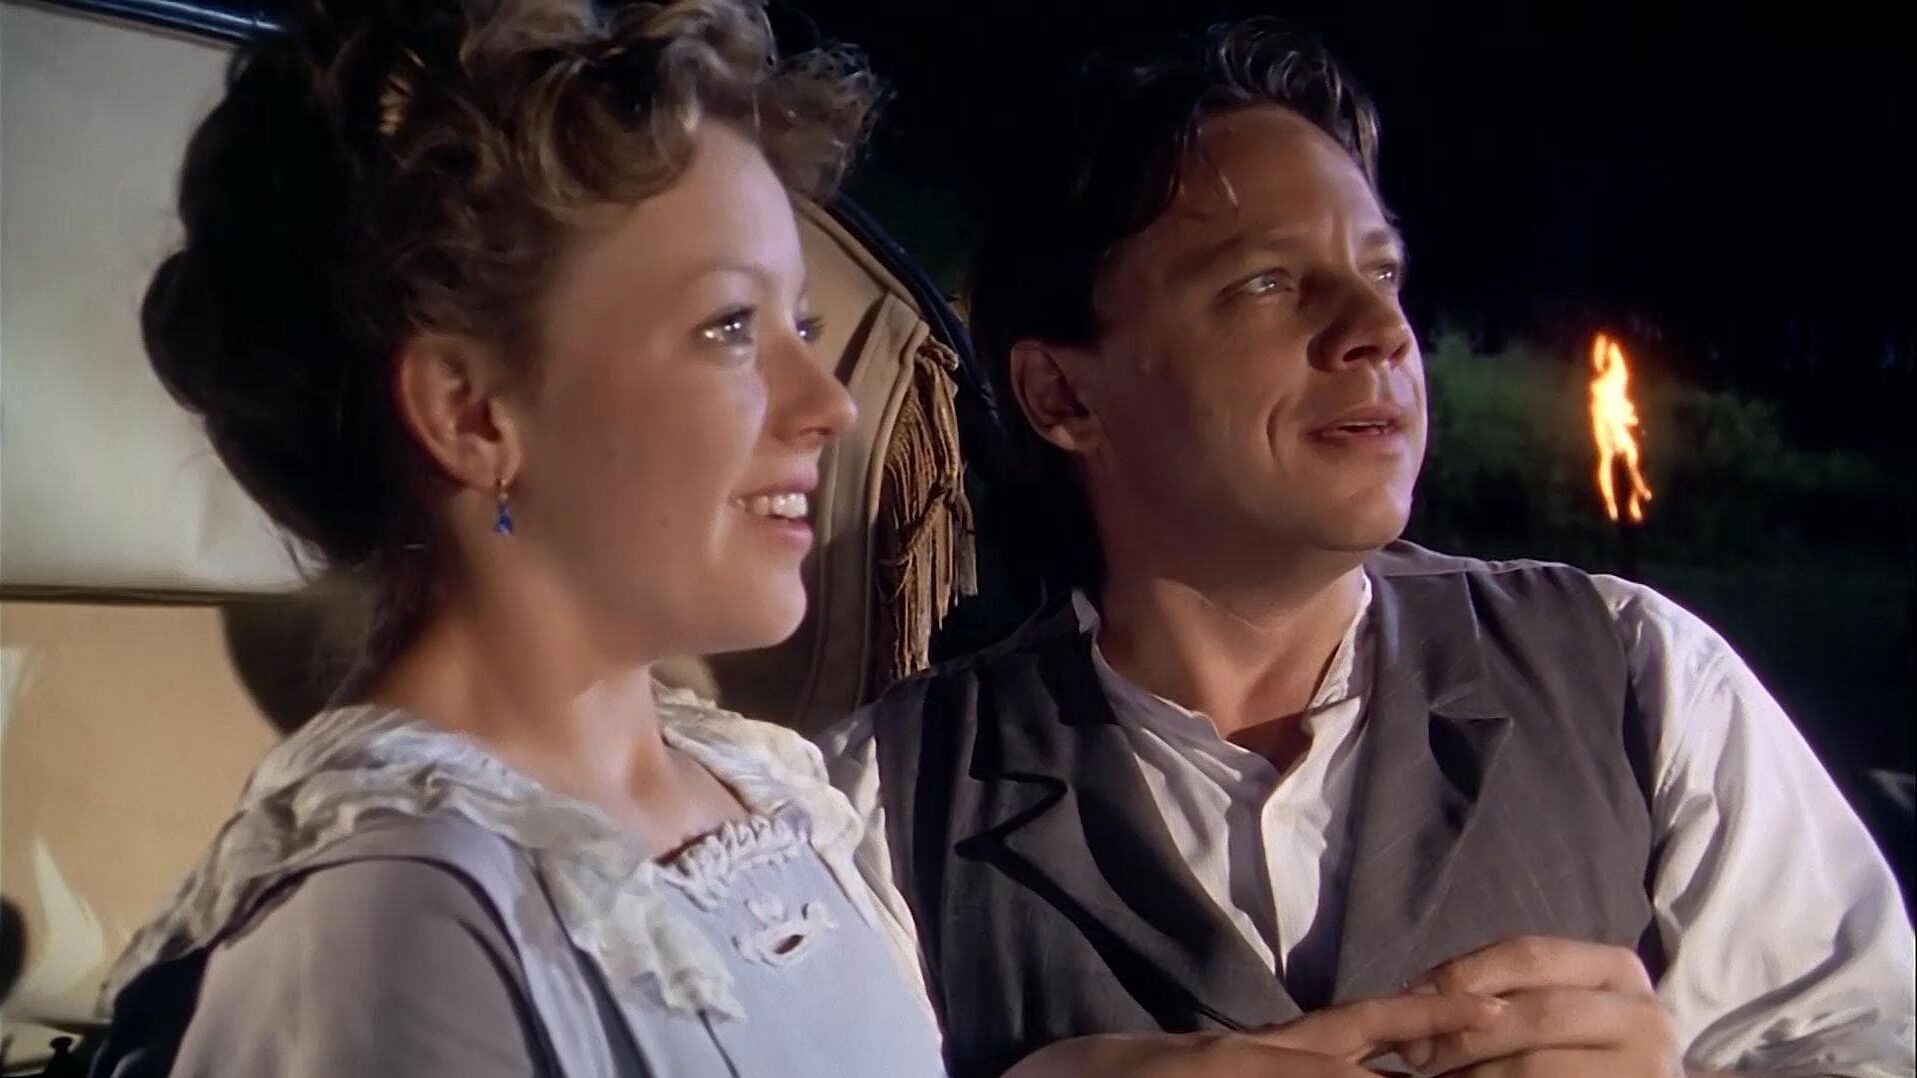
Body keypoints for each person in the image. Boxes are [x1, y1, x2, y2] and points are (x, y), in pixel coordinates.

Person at [826, 18, 1915, 1078]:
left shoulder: (1637, 676)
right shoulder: (878, 804)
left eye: (1383, 275)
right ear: (1062, 394)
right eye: (1266, 282)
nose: (1379, 332)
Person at [90, 1, 946, 1074]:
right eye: (730, 326)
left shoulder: (773, 793)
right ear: (472, 413)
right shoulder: (398, 936)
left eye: (801, 325)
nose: (830, 404)